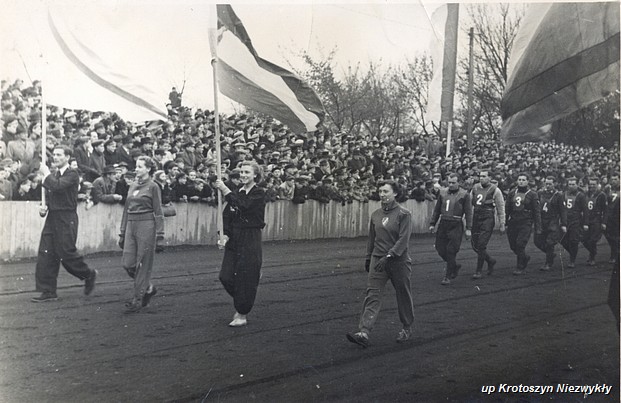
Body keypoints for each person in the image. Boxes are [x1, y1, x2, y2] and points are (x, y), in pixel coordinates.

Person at [347, 180, 414, 348]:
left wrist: (390, 255)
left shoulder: (404, 214)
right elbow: (372, 238)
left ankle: (406, 327)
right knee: (373, 294)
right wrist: (368, 257)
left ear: (395, 193)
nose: (382, 194)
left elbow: (403, 240)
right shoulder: (376, 214)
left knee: (403, 294)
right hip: (378, 261)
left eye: (386, 191)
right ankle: (364, 331)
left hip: (398, 261)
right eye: (380, 191)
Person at [32, 145, 97, 302]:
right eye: (54, 154)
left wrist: (46, 173)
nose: (55, 157)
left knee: (66, 253)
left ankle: (88, 274)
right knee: (46, 254)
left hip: (66, 217)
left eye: (59, 155)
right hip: (52, 217)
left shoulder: (72, 174)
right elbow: (51, 194)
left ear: (67, 157)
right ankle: (48, 291)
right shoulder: (54, 175)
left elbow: (57, 186)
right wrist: (44, 207)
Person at [214, 160, 266, 327]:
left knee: (245, 278)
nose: (243, 175)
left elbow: (243, 206)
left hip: (250, 236)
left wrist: (225, 190)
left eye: (247, 172)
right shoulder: (238, 192)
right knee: (225, 276)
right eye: (241, 172)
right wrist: (224, 235)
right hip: (235, 237)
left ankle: (242, 313)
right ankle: (245, 295)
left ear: (255, 175)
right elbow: (227, 216)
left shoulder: (259, 193)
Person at [118, 155, 164, 313]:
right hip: (131, 225)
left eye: (139, 167)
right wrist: (122, 232)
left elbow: (158, 211)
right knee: (128, 264)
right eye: (136, 166)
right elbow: (126, 209)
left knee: (143, 264)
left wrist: (160, 235)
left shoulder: (154, 187)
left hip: (147, 226)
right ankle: (148, 287)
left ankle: (137, 299)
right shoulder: (132, 185)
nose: (136, 169)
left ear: (148, 169)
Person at [429, 173, 472, 285]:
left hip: (456, 224)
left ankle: (447, 276)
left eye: (453, 182)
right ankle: (454, 266)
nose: (451, 185)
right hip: (443, 223)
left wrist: (468, 228)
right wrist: (432, 223)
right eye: (449, 182)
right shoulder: (442, 193)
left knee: (451, 250)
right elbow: (437, 210)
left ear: (459, 183)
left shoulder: (464, 195)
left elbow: (468, 212)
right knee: (440, 248)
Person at [470, 169, 506, 279]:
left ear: (489, 178)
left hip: (487, 218)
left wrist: (502, 223)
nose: (481, 178)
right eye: (480, 176)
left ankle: (478, 271)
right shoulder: (475, 188)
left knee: (481, 244)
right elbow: (469, 203)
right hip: (476, 217)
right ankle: (490, 260)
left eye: (484, 176)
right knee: (475, 245)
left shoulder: (495, 190)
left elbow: (500, 207)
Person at [505, 173, 542, 275]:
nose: (521, 182)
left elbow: (537, 212)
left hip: (525, 222)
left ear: (527, 182)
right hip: (513, 221)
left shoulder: (532, 194)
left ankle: (520, 267)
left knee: (520, 244)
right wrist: (505, 222)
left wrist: (538, 227)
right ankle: (524, 257)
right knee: (513, 245)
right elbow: (507, 208)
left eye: (523, 180)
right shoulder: (512, 192)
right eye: (519, 180)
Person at [534, 176, 567, 271]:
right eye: (546, 184)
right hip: (542, 220)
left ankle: (548, 263)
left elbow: (563, 211)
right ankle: (551, 254)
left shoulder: (558, 195)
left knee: (550, 242)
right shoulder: (540, 193)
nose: (548, 186)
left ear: (554, 184)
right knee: (537, 241)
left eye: (550, 184)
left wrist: (564, 224)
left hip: (553, 221)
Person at [560, 177, 588, 268]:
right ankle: (572, 253)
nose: (571, 186)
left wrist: (585, 223)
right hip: (565, 220)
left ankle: (572, 260)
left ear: (577, 185)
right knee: (562, 240)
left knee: (573, 241)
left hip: (576, 221)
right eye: (570, 184)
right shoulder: (564, 194)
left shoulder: (581, 195)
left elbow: (585, 210)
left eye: (573, 184)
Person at [581, 178, 607, 265]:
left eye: (594, 184)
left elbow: (605, 210)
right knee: (584, 239)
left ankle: (592, 257)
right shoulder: (586, 194)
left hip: (596, 219)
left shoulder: (601, 195)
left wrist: (604, 222)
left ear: (597, 185)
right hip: (587, 219)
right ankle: (593, 251)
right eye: (590, 184)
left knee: (592, 240)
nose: (591, 186)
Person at [604, 173, 619, 265]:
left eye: (615, 179)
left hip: (618, 216)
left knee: (616, 236)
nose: (613, 181)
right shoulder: (608, 189)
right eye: (612, 179)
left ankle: (614, 254)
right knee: (609, 236)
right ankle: (615, 252)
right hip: (609, 216)